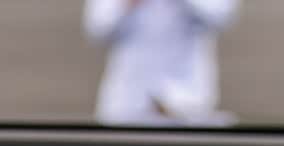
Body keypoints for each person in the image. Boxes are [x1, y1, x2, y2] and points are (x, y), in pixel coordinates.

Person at [83, 0, 241, 125]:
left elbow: (221, 16)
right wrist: (127, 3)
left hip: (187, 98)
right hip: (128, 99)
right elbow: (97, 28)